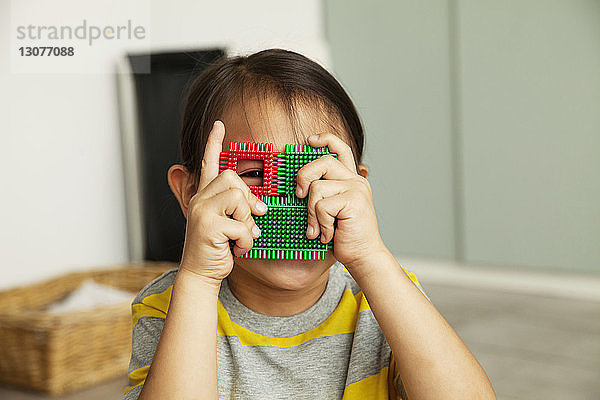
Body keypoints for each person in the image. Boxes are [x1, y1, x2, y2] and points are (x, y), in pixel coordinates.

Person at [123, 48, 496, 400]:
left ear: (358, 188)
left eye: (317, 174)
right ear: (191, 193)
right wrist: (199, 280)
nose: (296, 204)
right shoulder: (171, 305)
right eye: (255, 173)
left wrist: (370, 258)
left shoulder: (386, 297)